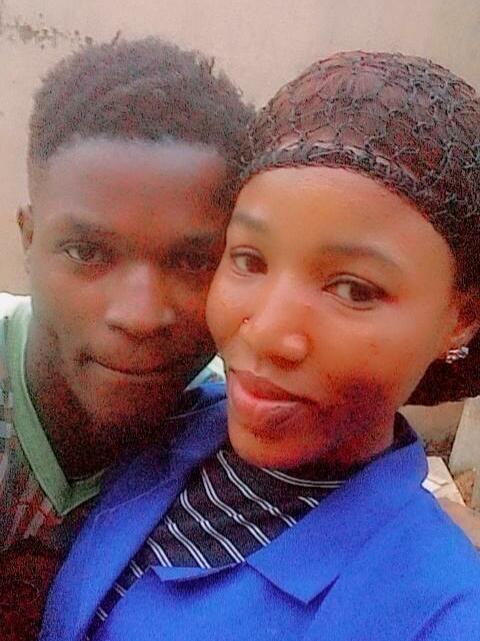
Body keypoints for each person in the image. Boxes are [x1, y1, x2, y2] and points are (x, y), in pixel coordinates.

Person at [41, 51, 480, 641]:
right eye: (249, 259)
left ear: (462, 318)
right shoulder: (166, 428)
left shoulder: (437, 612)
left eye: (353, 289)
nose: (267, 331)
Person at [0, 37, 251, 639]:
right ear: (28, 240)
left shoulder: (239, 436)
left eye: (193, 261)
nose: (140, 316)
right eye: (87, 252)